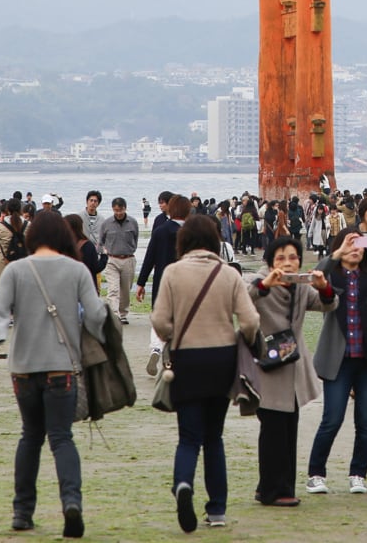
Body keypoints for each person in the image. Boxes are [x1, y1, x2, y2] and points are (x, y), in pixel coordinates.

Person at [0, 209, 108, 538]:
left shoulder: (17, 270)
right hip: (62, 368)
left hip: (24, 371)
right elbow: (95, 316)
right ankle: (71, 503)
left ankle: (22, 512)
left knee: (30, 438)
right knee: (61, 438)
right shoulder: (76, 270)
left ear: (31, 237)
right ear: (63, 236)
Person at [152, 214, 260, 533]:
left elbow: (158, 321)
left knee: (189, 437)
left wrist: (174, 335)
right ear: (214, 240)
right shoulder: (227, 274)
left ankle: (183, 484)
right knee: (214, 437)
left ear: (183, 241)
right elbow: (251, 321)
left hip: (187, 359)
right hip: (223, 358)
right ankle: (217, 510)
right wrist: (246, 342)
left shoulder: (172, 273)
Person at [305, 228, 367, 495]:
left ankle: (358, 474)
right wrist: (336, 253)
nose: (356, 249)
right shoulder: (330, 279)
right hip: (338, 361)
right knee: (331, 419)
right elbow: (316, 277)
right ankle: (316, 473)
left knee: (366, 423)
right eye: (351, 244)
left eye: (360, 244)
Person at [247, 236, 337, 506]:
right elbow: (243, 297)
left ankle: (270, 488)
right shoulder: (257, 279)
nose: (287, 263)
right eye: (281, 258)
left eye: (293, 257)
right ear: (270, 261)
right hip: (267, 367)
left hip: (293, 369)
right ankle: (277, 491)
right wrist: (266, 284)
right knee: (273, 432)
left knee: (288, 430)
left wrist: (324, 287)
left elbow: (328, 305)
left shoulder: (300, 286)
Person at [97, 197, 140, 325]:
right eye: (116, 210)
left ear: (125, 208)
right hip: (112, 259)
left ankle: (123, 313)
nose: (118, 213)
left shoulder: (132, 222)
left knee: (126, 290)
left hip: (128, 258)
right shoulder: (107, 223)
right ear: (112, 209)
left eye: (120, 210)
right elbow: (101, 241)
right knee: (113, 289)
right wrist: (103, 253)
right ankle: (114, 315)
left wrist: (130, 250)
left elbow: (135, 239)